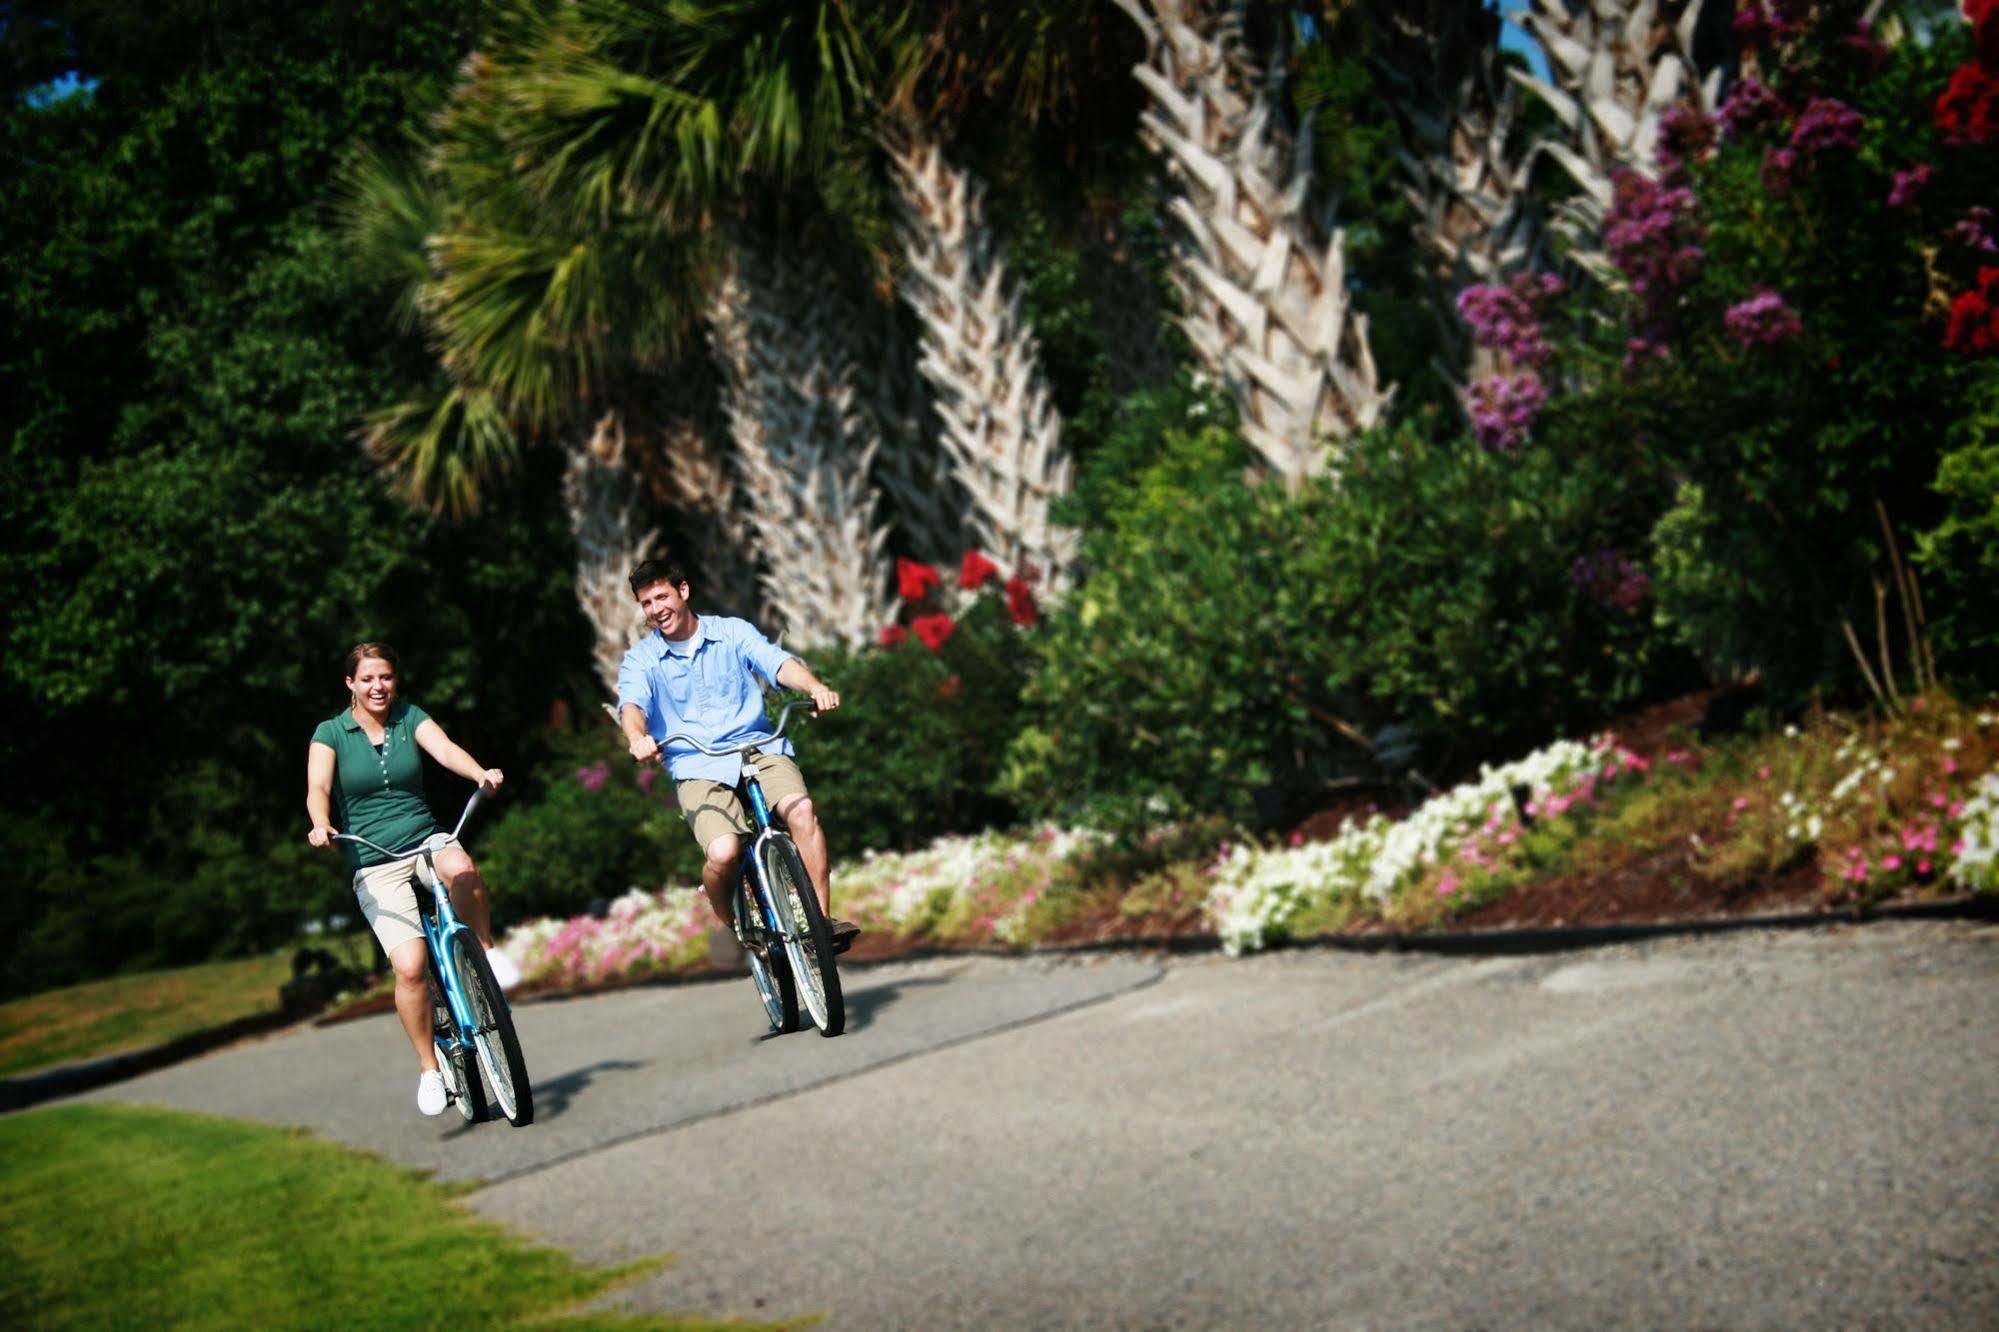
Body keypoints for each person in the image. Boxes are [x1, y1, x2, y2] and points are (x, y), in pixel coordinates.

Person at [305, 641, 520, 1117]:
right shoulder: (330, 733)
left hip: (424, 837)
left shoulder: (409, 717)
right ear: (351, 684)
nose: (377, 686)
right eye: (367, 679)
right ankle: (429, 1068)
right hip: (374, 858)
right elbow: (318, 788)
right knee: (409, 967)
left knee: (462, 868)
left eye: (385, 677)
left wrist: (479, 773)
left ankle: (483, 952)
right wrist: (321, 823)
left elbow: (443, 749)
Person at [616, 556, 860, 954]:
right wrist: (637, 737)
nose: (656, 609)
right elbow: (632, 707)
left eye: (662, 596)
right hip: (697, 764)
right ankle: (730, 919)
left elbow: (777, 663)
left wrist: (814, 687)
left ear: (684, 591)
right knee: (724, 851)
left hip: (758, 747)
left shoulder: (731, 632)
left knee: (801, 811)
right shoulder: (642, 660)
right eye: (646, 603)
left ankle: (820, 922)